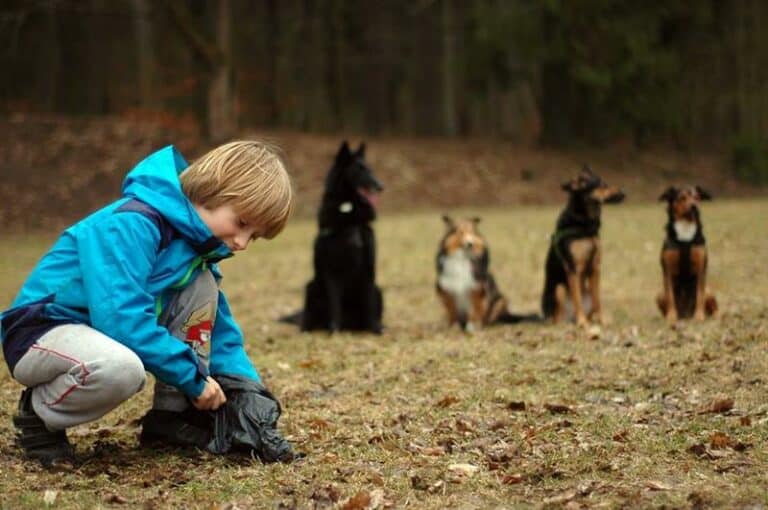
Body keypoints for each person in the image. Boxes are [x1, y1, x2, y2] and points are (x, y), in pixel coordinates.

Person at [0, 141, 295, 468]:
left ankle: (172, 416)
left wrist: (248, 391)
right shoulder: (133, 222)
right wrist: (192, 377)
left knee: (202, 287)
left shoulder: (196, 251)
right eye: (241, 223)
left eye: (253, 236)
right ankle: (39, 415)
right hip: (41, 331)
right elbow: (120, 317)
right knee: (122, 370)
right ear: (213, 191)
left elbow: (218, 332)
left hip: (95, 335)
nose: (241, 243)